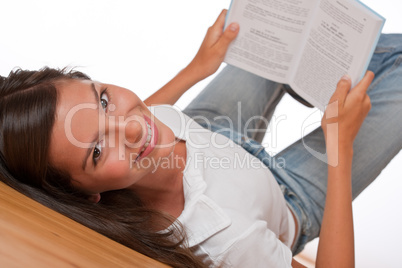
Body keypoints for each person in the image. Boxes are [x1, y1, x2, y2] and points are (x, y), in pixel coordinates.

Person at [0, 9, 401, 267]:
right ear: (87, 194)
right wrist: (340, 151)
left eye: (103, 100)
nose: (136, 127)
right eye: (99, 151)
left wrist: (197, 68)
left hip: (204, 129)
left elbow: (142, 116)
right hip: (288, 195)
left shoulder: (149, 131)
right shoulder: (229, 242)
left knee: (287, 16)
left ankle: (354, 59)